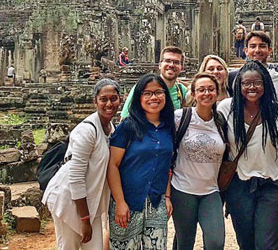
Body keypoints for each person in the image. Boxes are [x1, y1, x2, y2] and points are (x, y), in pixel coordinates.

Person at [218, 60, 278, 250]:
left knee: (267, 244)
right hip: (239, 184)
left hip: (272, 183)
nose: (252, 87)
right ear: (239, 85)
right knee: (246, 242)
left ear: (266, 84)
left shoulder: (277, 110)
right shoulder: (226, 109)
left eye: (257, 82)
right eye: (246, 83)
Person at [42, 78, 121, 250]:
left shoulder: (111, 129)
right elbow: (76, 177)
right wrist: (84, 219)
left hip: (91, 202)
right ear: (95, 102)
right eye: (103, 99)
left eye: (113, 98)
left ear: (120, 100)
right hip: (69, 199)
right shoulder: (87, 130)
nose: (109, 104)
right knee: (68, 246)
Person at [107, 73, 175, 250]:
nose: (154, 97)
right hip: (128, 201)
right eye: (147, 93)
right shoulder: (128, 126)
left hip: (156, 201)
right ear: (139, 98)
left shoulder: (169, 127)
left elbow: (166, 165)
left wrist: (167, 197)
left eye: (159, 92)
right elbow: (113, 165)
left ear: (165, 96)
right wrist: (120, 202)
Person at [169, 73, 226, 250]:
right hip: (182, 189)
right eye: (201, 90)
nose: (206, 93)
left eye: (210, 89)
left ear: (217, 93)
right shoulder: (180, 117)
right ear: (193, 94)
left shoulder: (221, 121)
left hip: (211, 190)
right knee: (185, 242)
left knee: (216, 242)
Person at [121, 46, 187, 118]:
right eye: (167, 61)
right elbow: (124, 119)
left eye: (176, 62)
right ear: (160, 65)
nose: (171, 65)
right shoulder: (142, 88)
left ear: (182, 68)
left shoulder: (182, 91)